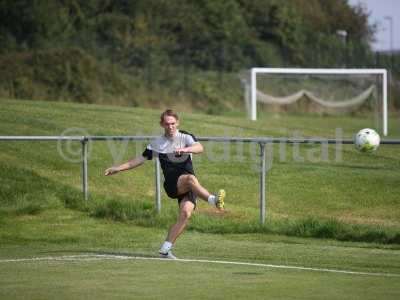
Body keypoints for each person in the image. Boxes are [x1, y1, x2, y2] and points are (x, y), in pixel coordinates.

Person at [104, 109, 225, 259]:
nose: (170, 126)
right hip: (173, 185)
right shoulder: (157, 143)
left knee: (185, 213)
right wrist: (117, 168)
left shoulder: (185, 136)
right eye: (167, 124)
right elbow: (137, 161)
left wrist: (185, 149)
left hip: (189, 187)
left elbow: (199, 148)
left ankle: (165, 249)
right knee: (191, 179)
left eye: (173, 123)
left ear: (178, 122)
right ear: (162, 124)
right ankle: (214, 200)